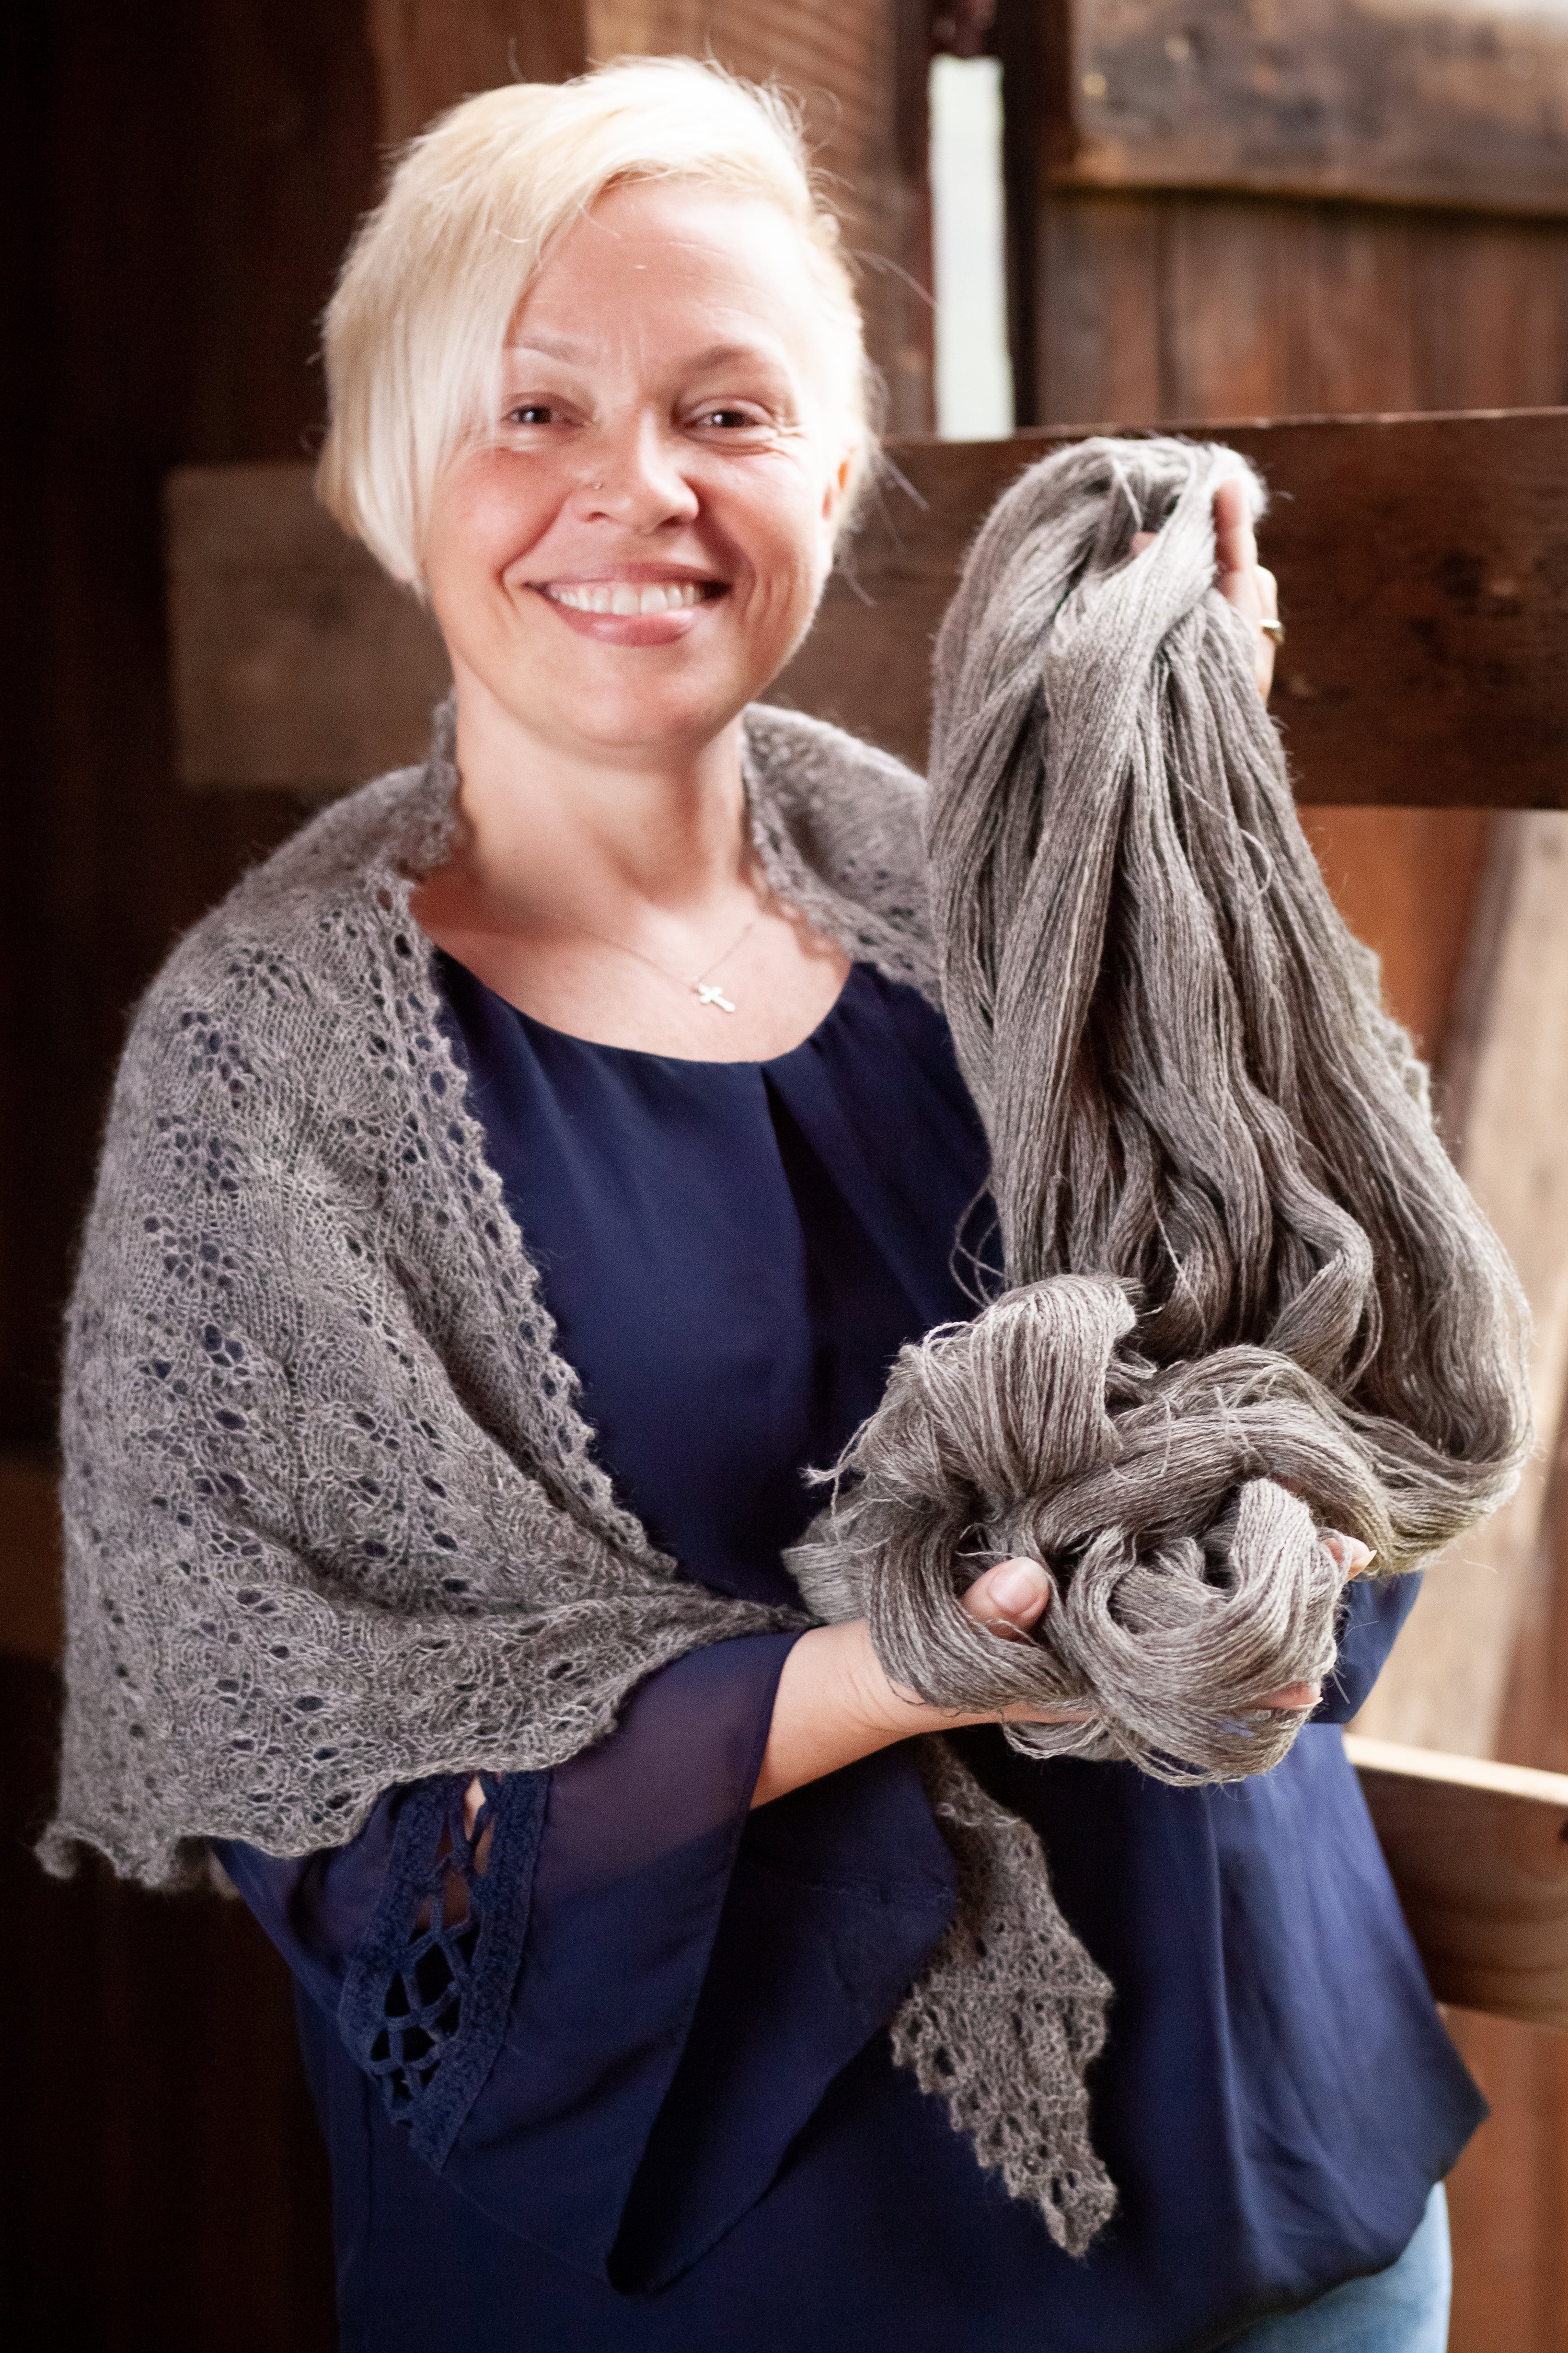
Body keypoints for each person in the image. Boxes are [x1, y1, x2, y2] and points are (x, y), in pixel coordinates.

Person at [48, 58, 1472, 2353]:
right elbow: (320, 1789)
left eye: (729, 409)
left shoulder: (979, 890)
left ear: (828, 469)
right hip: (746, 2276)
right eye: (534, 409)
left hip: (1279, 2185)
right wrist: (879, 1673)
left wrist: (1185, 821)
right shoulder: (269, 1070)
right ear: (387, 471)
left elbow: (1329, 1329)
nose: (641, 490)